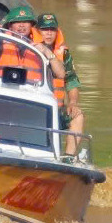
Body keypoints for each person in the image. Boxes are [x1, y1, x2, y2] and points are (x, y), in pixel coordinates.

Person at [36, 12, 85, 156]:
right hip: (35, 106)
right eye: (45, 29)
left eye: (52, 29)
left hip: (56, 108)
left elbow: (72, 82)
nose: (49, 33)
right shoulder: (28, 45)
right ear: (37, 31)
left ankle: (68, 158)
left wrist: (73, 102)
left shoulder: (63, 54)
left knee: (78, 115)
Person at [0, 6, 63, 82]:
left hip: (33, 92)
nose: (22, 25)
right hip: (3, 89)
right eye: (17, 22)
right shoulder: (0, 43)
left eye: (25, 22)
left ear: (31, 25)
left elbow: (61, 75)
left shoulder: (42, 45)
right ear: (10, 26)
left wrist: (47, 51)